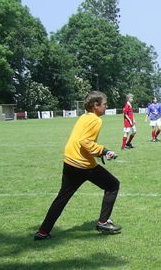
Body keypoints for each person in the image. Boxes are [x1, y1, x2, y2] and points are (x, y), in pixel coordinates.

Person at [34, 91, 121, 240]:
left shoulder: (84, 116)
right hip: (82, 165)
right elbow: (85, 141)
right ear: (95, 105)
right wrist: (104, 151)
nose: (106, 107)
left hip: (70, 161)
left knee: (62, 197)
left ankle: (43, 232)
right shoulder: (96, 120)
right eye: (105, 104)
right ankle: (103, 222)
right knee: (112, 185)